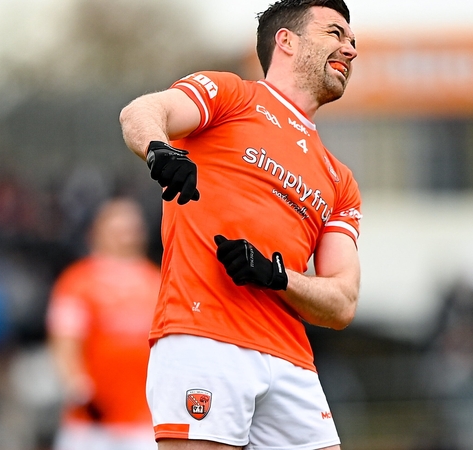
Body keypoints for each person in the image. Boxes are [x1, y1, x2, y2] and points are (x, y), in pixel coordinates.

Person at [118, 0, 361, 448]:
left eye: (352, 40)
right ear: (286, 41)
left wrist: (279, 277)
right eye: (335, 33)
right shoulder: (233, 95)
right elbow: (142, 111)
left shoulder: (338, 178)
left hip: (291, 358)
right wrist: (160, 150)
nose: (350, 49)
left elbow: (342, 302)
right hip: (204, 336)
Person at [46, 197, 161, 450]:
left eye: (132, 228)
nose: (126, 236)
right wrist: (78, 389)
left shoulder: (158, 282)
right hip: (91, 423)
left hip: (144, 421)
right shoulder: (77, 282)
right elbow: (65, 340)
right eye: (118, 229)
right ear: (97, 231)